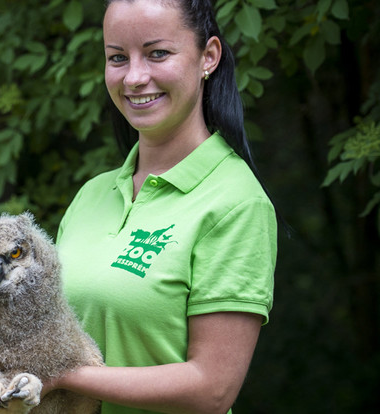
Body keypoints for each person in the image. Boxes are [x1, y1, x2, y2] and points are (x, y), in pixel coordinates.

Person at [42, 1, 278, 413]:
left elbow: (212, 388)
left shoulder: (236, 203)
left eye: (157, 53)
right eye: (117, 57)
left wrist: (59, 374)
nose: (134, 77)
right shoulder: (91, 196)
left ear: (209, 57)